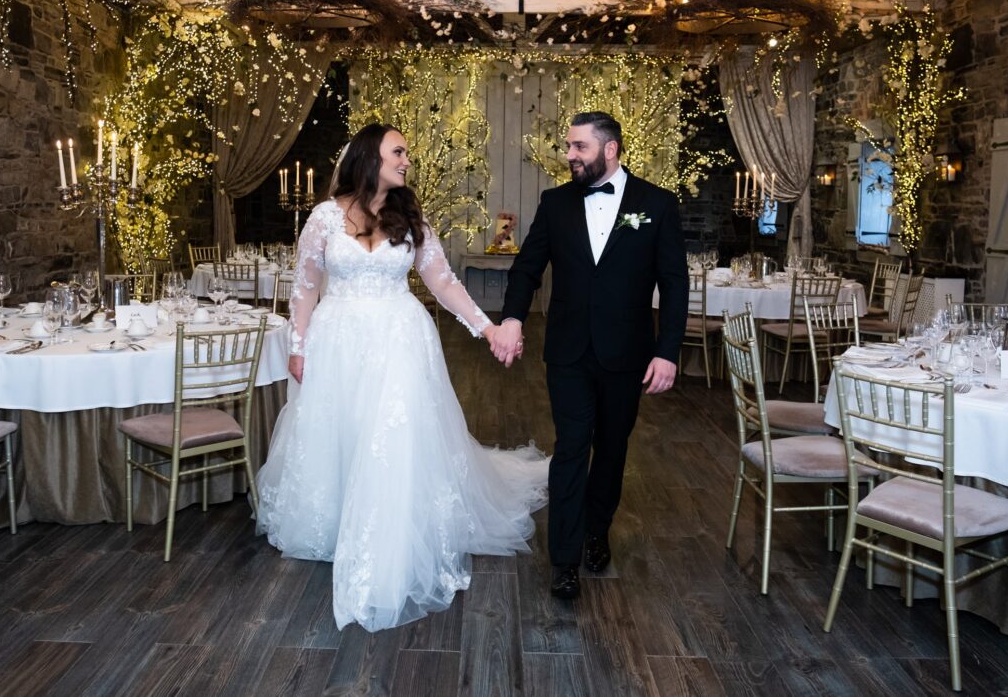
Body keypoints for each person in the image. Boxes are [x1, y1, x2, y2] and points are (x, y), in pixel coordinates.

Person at [255, 123, 550, 632]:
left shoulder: (410, 217)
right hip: (338, 340)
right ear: (371, 157)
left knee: (389, 433)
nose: (407, 160)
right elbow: (304, 287)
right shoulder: (324, 217)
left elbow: (443, 283)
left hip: (398, 340)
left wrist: (489, 329)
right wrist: (298, 345)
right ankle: (337, 520)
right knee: (340, 428)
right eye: (399, 152)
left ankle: (388, 525)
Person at [490, 111, 687, 600]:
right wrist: (512, 318)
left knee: (613, 447)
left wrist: (667, 352)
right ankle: (564, 558)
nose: (570, 155)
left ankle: (598, 530)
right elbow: (526, 268)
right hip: (569, 351)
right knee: (573, 445)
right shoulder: (555, 203)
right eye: (569, 146)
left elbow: (675, 284)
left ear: (611, 148)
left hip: (628, 352)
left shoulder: (657, 205)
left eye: (579, 147)